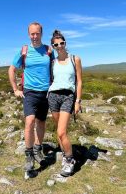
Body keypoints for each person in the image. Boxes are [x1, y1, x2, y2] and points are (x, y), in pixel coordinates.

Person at [8, 22, 54, 173]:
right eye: (32, 34)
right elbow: (12, 69)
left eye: (37, 33)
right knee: (29, 122)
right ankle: (28, 154)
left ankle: (37, 150)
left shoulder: (48, 50)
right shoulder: (24, 51)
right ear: (29, 34)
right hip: (29, 92)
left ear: (41, 33)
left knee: (41, 122)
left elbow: (56, 67)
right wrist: (15, 89)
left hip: (45, 92)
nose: (35, 36)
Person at [47, 30, 82, 177]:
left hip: (68, 96)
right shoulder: (53, 62)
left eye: (62, 43)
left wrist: (78, 101)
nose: (59, 46)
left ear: (65, 43)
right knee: (58, 131)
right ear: (53, 46)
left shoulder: (75, 59)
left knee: (62, 132)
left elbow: (79, 81)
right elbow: (50, 80)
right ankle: (64, 153)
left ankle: (69, 160)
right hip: (53, 96)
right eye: (56, 44)